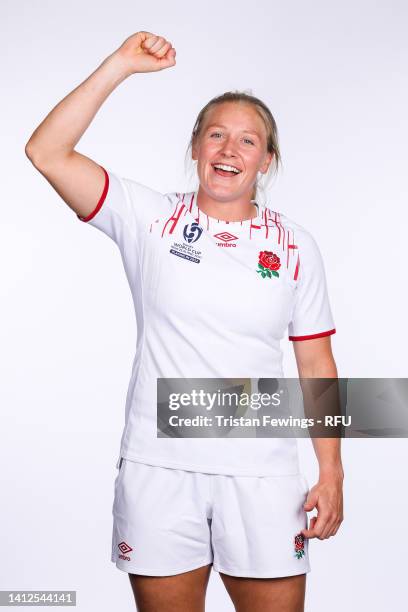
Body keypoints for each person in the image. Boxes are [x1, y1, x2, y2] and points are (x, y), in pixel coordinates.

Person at [25, 30, 344, 612]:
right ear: (195, 145)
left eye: (248, 140)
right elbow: (46, 152)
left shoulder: (295, 245)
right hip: (159, 471)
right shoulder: (148, 218)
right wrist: (119, 65)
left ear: (266, 159)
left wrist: (332, 471)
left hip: (263, 478)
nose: (229, 149)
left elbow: (315, 363)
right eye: (216, 134)